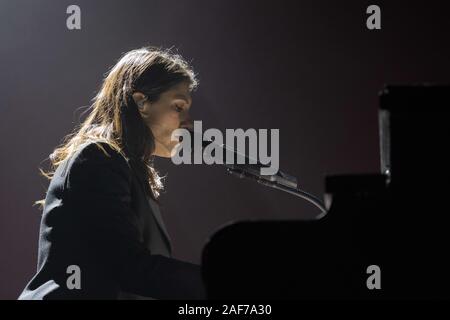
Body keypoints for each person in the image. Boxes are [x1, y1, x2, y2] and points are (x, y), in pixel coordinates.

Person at [18, 46, 206, 299]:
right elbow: (129, 267)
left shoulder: (121, 167)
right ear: (141, 102)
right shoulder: (98, 158)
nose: (188, 121)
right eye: (178, 106)